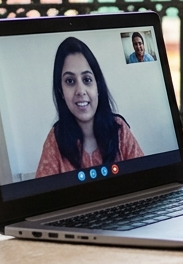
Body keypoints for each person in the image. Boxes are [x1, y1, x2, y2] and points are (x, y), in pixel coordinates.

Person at [36, 37, 144, 178]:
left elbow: (145, 179)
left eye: (87, 80)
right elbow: (45, 196)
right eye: (70, 81)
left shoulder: (119, 129)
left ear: (98, 86)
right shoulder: (55, 139)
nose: (80, 91)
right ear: (61, 91)